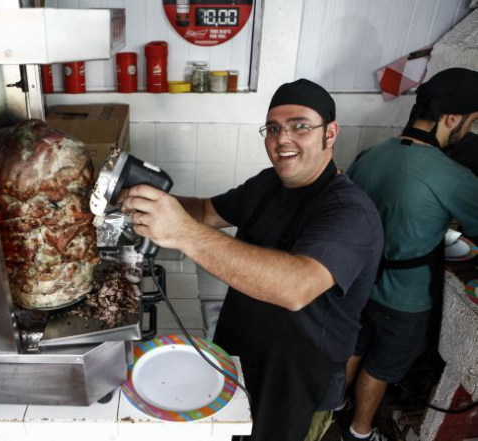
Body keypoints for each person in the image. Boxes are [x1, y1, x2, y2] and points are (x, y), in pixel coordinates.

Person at [120, 79, 384, 441]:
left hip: (294, 383)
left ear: (330, 133)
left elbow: (295, 287)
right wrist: (151, 202)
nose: (283, 138)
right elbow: (207, 211)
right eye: (273, 128)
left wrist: (180, 232)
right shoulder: (269, 184)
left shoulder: (349, 213)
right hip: (240, 354)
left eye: (300, 126)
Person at [343, 67, 478, 441]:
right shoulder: (451, 175)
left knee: (353, 345)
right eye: (471, 122)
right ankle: (360, 431)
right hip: (405, 296)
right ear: (451, 118)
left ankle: (334, 404)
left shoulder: (371, 155)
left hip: (358, 282)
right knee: (383, 367)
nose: (468, 131)